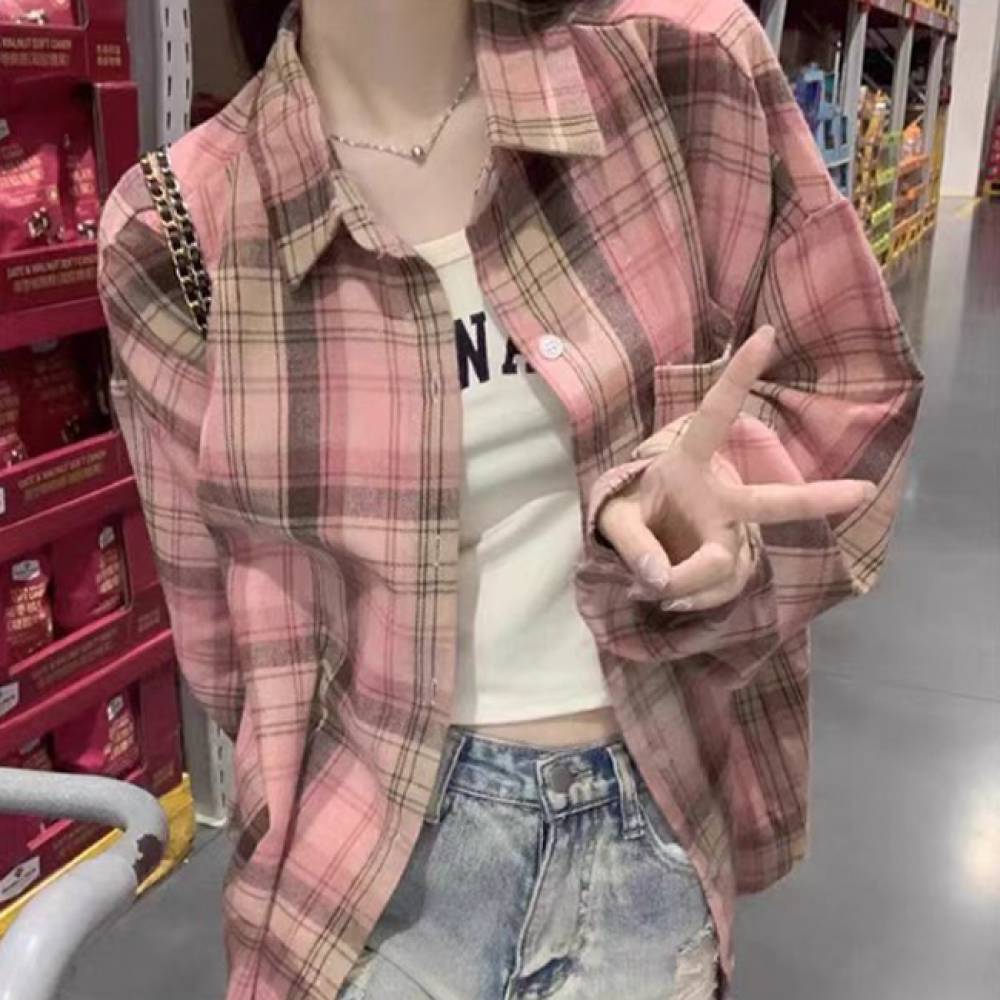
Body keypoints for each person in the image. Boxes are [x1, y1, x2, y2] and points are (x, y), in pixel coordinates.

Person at [96, 0, 922, 997]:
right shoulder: (180, 227)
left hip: (646, 818)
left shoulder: (679, 69)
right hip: (362, 877)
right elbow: (228, 650)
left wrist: (716, 516)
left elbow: (846, 388)